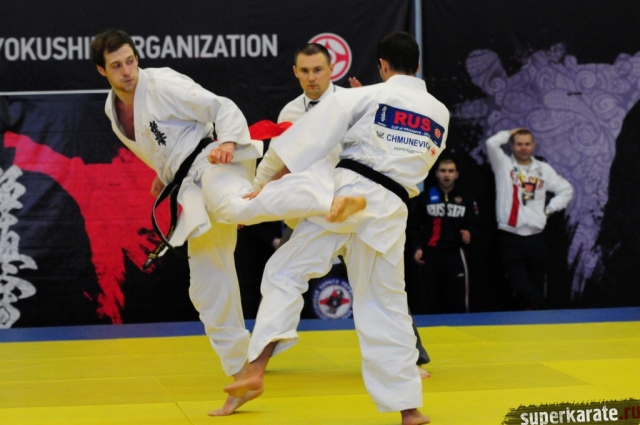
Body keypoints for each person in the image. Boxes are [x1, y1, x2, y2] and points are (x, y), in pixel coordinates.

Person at [89, 29, 365, 417]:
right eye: (117, 66)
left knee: (235, 207)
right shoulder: (113, 110)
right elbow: (164, 145)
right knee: (205, 283)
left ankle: (327, 198)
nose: (127, 71)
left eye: (131, 61)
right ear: (102, 71)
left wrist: (229, 143)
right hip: (190, 184)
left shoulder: (162, 83)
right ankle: (241, 374)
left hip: (214, 160)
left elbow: (222, 107)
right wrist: (164, 175)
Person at [226, 32, 450, 425]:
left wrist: (265, 187)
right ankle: (410, 410)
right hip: (393, 207)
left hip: (348, 191)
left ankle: (255, 368)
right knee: (386, 304)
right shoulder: (440, 113)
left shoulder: (363, 96)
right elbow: (421, 163)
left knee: (284, 272)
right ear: (416, 65)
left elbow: (303, 143)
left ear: (382, 65)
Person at [260, 42, 432, 378]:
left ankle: (410, 357)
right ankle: (262, 354)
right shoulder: (289, 113)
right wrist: (258, 195)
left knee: (383, 284)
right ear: (296, 73)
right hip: (310, 208)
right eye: (305, 71)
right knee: (282, 275)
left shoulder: (358, 100)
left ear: (331, 70)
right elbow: (282, 161)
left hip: (355, 202)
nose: (312, 77)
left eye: (318, 70)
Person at [486, 128, 573, 310]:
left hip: (536, 238)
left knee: (537, 286)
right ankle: (544, 313)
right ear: (512, 146)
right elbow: (491, 143)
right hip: (510, 237)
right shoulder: (503, 164)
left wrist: (549, 210)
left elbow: (566, 190)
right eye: (519, 144)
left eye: (527, 144)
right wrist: (511, 132)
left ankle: (535, 322)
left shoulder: (542, 169)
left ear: (533, 146)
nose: (523, 148)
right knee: (520, 286)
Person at [410, 155, 479, 313]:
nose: (446, 175)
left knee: (458, 300)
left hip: (456, 254)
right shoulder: (425, 197)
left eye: (450, 171)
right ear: (436, 173)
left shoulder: (466, 197)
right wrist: (417, 247)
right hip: (430, 255)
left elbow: (475, 223)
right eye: (443, 171)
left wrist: (469, 232)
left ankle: (461, 326)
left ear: (457, 174)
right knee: (428, 300)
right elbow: (413, 226)